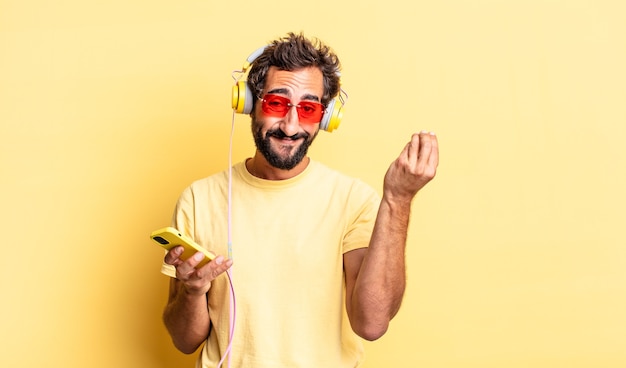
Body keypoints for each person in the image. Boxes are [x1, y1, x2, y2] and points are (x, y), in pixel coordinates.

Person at [160, 32, 439, 368]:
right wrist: (192, 292)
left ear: (325, 117)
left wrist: (398, 199)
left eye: (308, 109)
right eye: (277, 103)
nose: (291, 126)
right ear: (248, 103)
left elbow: (371, 323)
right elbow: (184, 341)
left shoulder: (354, 200)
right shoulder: (198, 199)